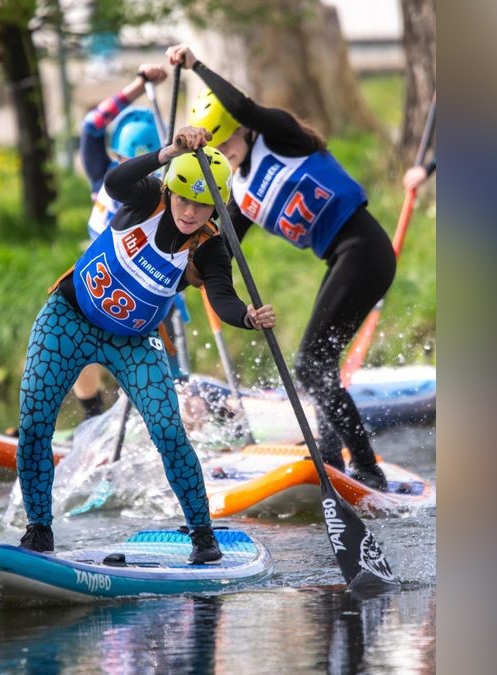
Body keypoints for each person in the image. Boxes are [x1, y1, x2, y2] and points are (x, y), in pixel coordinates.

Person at [16, 127, 276, 563]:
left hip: (134, 341)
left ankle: (203, 537)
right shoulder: (148, 196)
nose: (190, 212)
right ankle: (39, 530)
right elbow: (113, 183)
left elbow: (223, 297)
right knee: (34, 424)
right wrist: (169, 152)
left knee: (169, 432)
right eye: (184, 200)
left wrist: (248, 318)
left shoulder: (209, 245)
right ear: (171, 191)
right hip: (68, 318)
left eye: (202, 204)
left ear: (215, 207)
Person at [167, 44, 396, 490]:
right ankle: (330, 459)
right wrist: (174, 275)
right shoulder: (242, 190)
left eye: (225, 141)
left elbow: (244, 107)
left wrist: (195, 66)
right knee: (319, 363)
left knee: (310, 363)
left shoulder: (281, 136)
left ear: (242, 131)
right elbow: (222, 250)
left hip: (366, 249)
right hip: (343, 258)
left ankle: (367, 467)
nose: (222, 152)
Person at [73, 63, 170, 418]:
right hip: (100, 279)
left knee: (162, 369)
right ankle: (93, 417)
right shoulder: (103, 175)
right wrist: (138, 86)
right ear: (118, 156)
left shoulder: (163, 189)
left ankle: (172, 419)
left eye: (144, 160)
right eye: (131, 159)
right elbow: (91, 125)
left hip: (147, 287)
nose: (136, 168)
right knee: (73, 343)